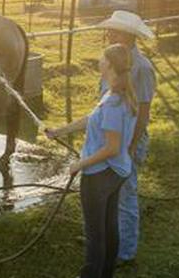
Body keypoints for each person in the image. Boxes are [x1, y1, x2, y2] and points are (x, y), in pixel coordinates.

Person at [46, 44, 137, 278]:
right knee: (108, 226)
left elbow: (112, 148)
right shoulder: (114, 93)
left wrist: (80, 164)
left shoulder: (114, 102)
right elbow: (92, 118)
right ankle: (106, 273)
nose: (98, 60)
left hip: (100, 175)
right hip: (117, 172)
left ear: (108, 64)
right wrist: (60, 131)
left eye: (102, 57)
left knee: (95, 232)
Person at [97, 10, 156, 266]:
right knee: (108, 195)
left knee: (125, 195)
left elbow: (143, 113)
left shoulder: (141, 68)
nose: (109, 33)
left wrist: (131, 147)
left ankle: (126, 251)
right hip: (109, 139)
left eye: (114, 30)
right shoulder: (112, 60)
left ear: (128, 35)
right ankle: (110, 241)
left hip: (128, 141)